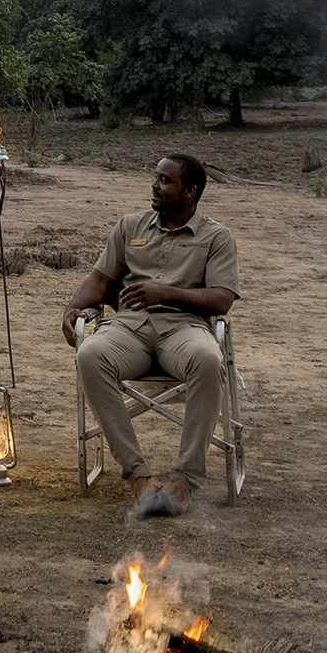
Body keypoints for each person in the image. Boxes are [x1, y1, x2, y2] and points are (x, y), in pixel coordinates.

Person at [61, 151, 239, 518]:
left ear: (189, 192)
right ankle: (139, 479)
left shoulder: (216, 237)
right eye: (155, 178)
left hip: (184, 328)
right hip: (130, 328)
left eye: (164, 180)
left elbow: (221, 299)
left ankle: (184, 481)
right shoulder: (130, 226)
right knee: (90, 355)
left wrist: (166, 292)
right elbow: (100, 279)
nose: (154, 186)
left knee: (208, 359)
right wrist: (72, 309)